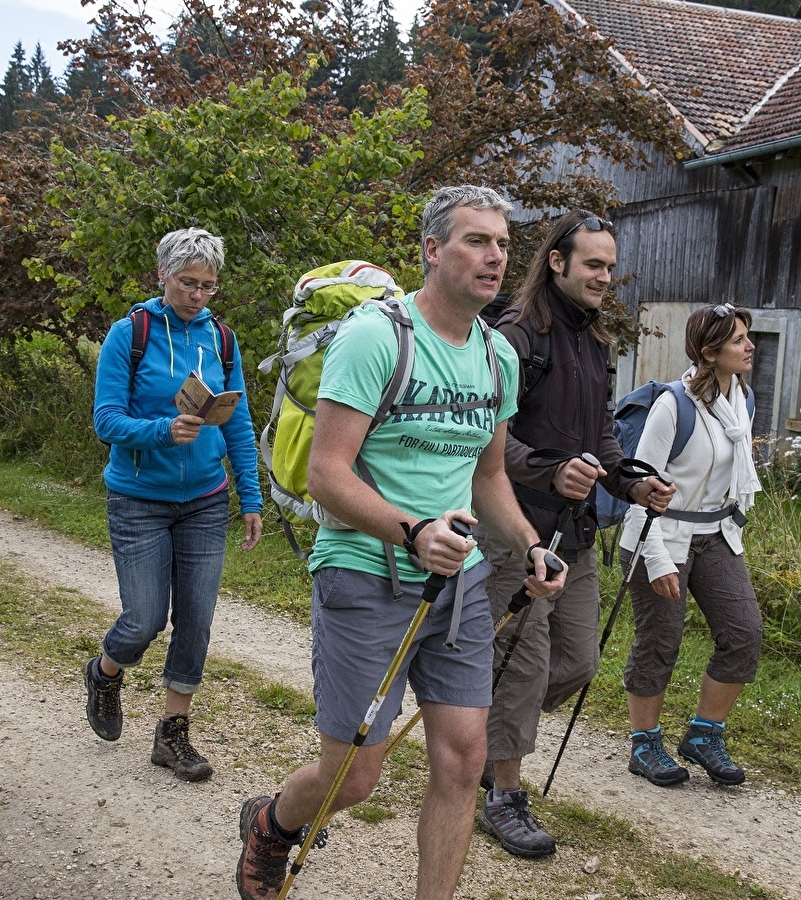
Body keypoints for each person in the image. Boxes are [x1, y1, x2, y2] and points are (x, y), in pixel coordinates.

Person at [235, 186, 566, 900]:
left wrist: (530, 543)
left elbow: (486, 476)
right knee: (352, 777)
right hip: (363, 573)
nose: (494, 256)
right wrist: (413, 532)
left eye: (503, 244)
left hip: (461, 586)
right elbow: (326, 474)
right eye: (476, 241)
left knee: (462, 758)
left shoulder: (496, 355)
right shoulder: (374, 337)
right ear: (431, 251)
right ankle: (272, 822)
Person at [474, 211, 674, 857]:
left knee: (577, 664)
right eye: (593, 264)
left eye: (609, 266)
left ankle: (479, 741)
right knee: (523, 668)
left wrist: (632, 482)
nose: (603, 277)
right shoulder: (514, 338)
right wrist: (548, 471)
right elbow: (484, 447)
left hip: (575, 534)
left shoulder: (593, 342)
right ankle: (503, 794)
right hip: (513, 532)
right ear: (556, 262)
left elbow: (601, 439)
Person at [84, 227, 264, 782]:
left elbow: (238, 422)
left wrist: (251, 496)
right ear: (163, 276)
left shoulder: (223, 341)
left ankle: (172, 734)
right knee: (142, 619)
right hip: (139, 499)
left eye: (209, 285)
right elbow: (105, 420)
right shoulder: (129, 334)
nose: (198, 295)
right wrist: (164, 430)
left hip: (206, 501)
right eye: (188, 283)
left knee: (196, 621)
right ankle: (106, 670)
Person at [619, 303, 763, 788]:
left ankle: (704, 734)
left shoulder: (741, 401)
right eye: (739, 339)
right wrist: (656, 558)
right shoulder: (672, 406)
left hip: (715, 534)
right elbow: (640, 486)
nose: (750, 346)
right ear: (709, 352)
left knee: (743, 632)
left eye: (748, 336)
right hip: (659, 534)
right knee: (661, 639)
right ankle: (646, 744)